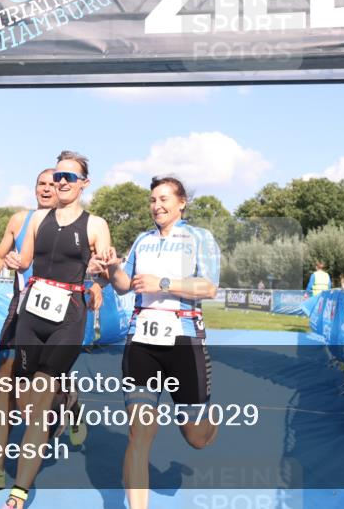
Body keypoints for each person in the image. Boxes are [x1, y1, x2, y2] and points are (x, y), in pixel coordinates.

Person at [99, 176, 221, 509]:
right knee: (140, 434)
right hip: (141, 341)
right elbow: (125, 284)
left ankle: (210, 420)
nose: (157, 205)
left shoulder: (200, 238)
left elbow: (209, 288)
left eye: (165, 199)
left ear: (182, 203)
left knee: (195, 437)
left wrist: (162, 282)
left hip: (184, 340)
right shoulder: (142, 240)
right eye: (153, 200)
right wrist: (111, 269)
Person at [0, 151, 110, 509]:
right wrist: (13, 260)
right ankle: (69, 403)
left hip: (69, 317)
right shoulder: (37, 220)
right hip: (32, 315)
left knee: (43, 395)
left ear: (84, 183)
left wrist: (98, 272)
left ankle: (20, 488)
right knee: (25, 405)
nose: (62, 182)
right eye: (59, 176)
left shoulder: (96, 225)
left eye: (70, 177)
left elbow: (105, 273)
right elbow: (24, 260)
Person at [0, 168, 87, 492]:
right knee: (5, 385)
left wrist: (96, 285)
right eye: (42, 184)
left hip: (62, 312)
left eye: (53, 184)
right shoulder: (21, 220)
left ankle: (66, 402)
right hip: (22, 308)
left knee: (34, 397)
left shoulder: (79, 223)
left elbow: (87, 264)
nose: (48, 189)